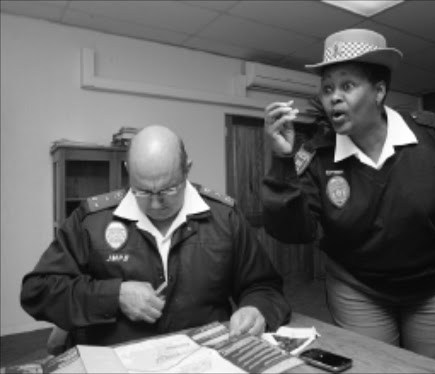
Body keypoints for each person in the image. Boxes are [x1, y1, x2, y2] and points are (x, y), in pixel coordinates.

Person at [261, 28, 435, 365]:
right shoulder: (317, 155)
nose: (333, 97)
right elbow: (294, 232)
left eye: (347, 86)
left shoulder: (429, 135)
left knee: (432, 370)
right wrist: (281, 162)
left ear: (379, 91)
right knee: (373, 367)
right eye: (327, 88)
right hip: (359, 289)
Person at [21, 125, 290, 349]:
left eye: (168, 189)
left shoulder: (225, 218)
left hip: (203, 358)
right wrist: (113, 296)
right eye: (142, 191)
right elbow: (38, 291)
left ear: (187, 168)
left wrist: (257, 309)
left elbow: (263, 286)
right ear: (128, 170)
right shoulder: (92, 220)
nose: (156, 204)